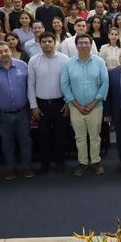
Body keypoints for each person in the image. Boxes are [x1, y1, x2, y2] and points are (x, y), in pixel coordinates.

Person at [0, 41, 33, 180]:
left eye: (6, 51)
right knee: (7, 143)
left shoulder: (23, 65)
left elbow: (30, 88)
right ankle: (10, 168)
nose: (4, 54)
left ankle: (27, 166)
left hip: (23, 113)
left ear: (10, 51)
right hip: (2, 115)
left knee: (25, 141)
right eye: (0, 52)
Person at [61, 33, 109, 176]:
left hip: (95, 107)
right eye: (80, 43)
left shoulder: (99, 62)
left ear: (91, 44)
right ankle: (82, 162)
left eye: (86, 43)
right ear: (76, 46)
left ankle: (95, 162)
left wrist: (94, 103)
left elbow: (105, 83)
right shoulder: (68, 63)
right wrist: (76, 104)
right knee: (80, 137)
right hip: (75, 108)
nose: (83, 45)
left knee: (95, 136)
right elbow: (64, 85)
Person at [28, 32, 69, 174]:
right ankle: (45, 163)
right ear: (40, 44)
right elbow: (31, 85)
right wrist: (33, 106)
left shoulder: (65, 59)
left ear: (55, 42)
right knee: (43, 135)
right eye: (44, 42)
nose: (47, 44)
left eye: (49, 41)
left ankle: (60, 162)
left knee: (60, 134)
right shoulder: (33, 60)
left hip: (60, 103)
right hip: (41, 104)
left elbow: (68, 83)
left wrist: (67, 103)